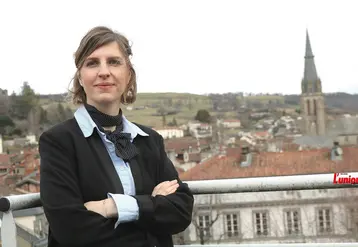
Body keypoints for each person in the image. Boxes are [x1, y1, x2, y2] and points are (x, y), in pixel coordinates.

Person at [39, 26, 194, 247]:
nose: (104, 71)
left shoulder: (149, 140)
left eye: (114, 61)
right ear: (81, 78)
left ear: (128, 75)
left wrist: (111, 207)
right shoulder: (58, 142)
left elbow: (180, 210)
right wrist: (151, 208)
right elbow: (71, 229)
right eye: (92, 63)